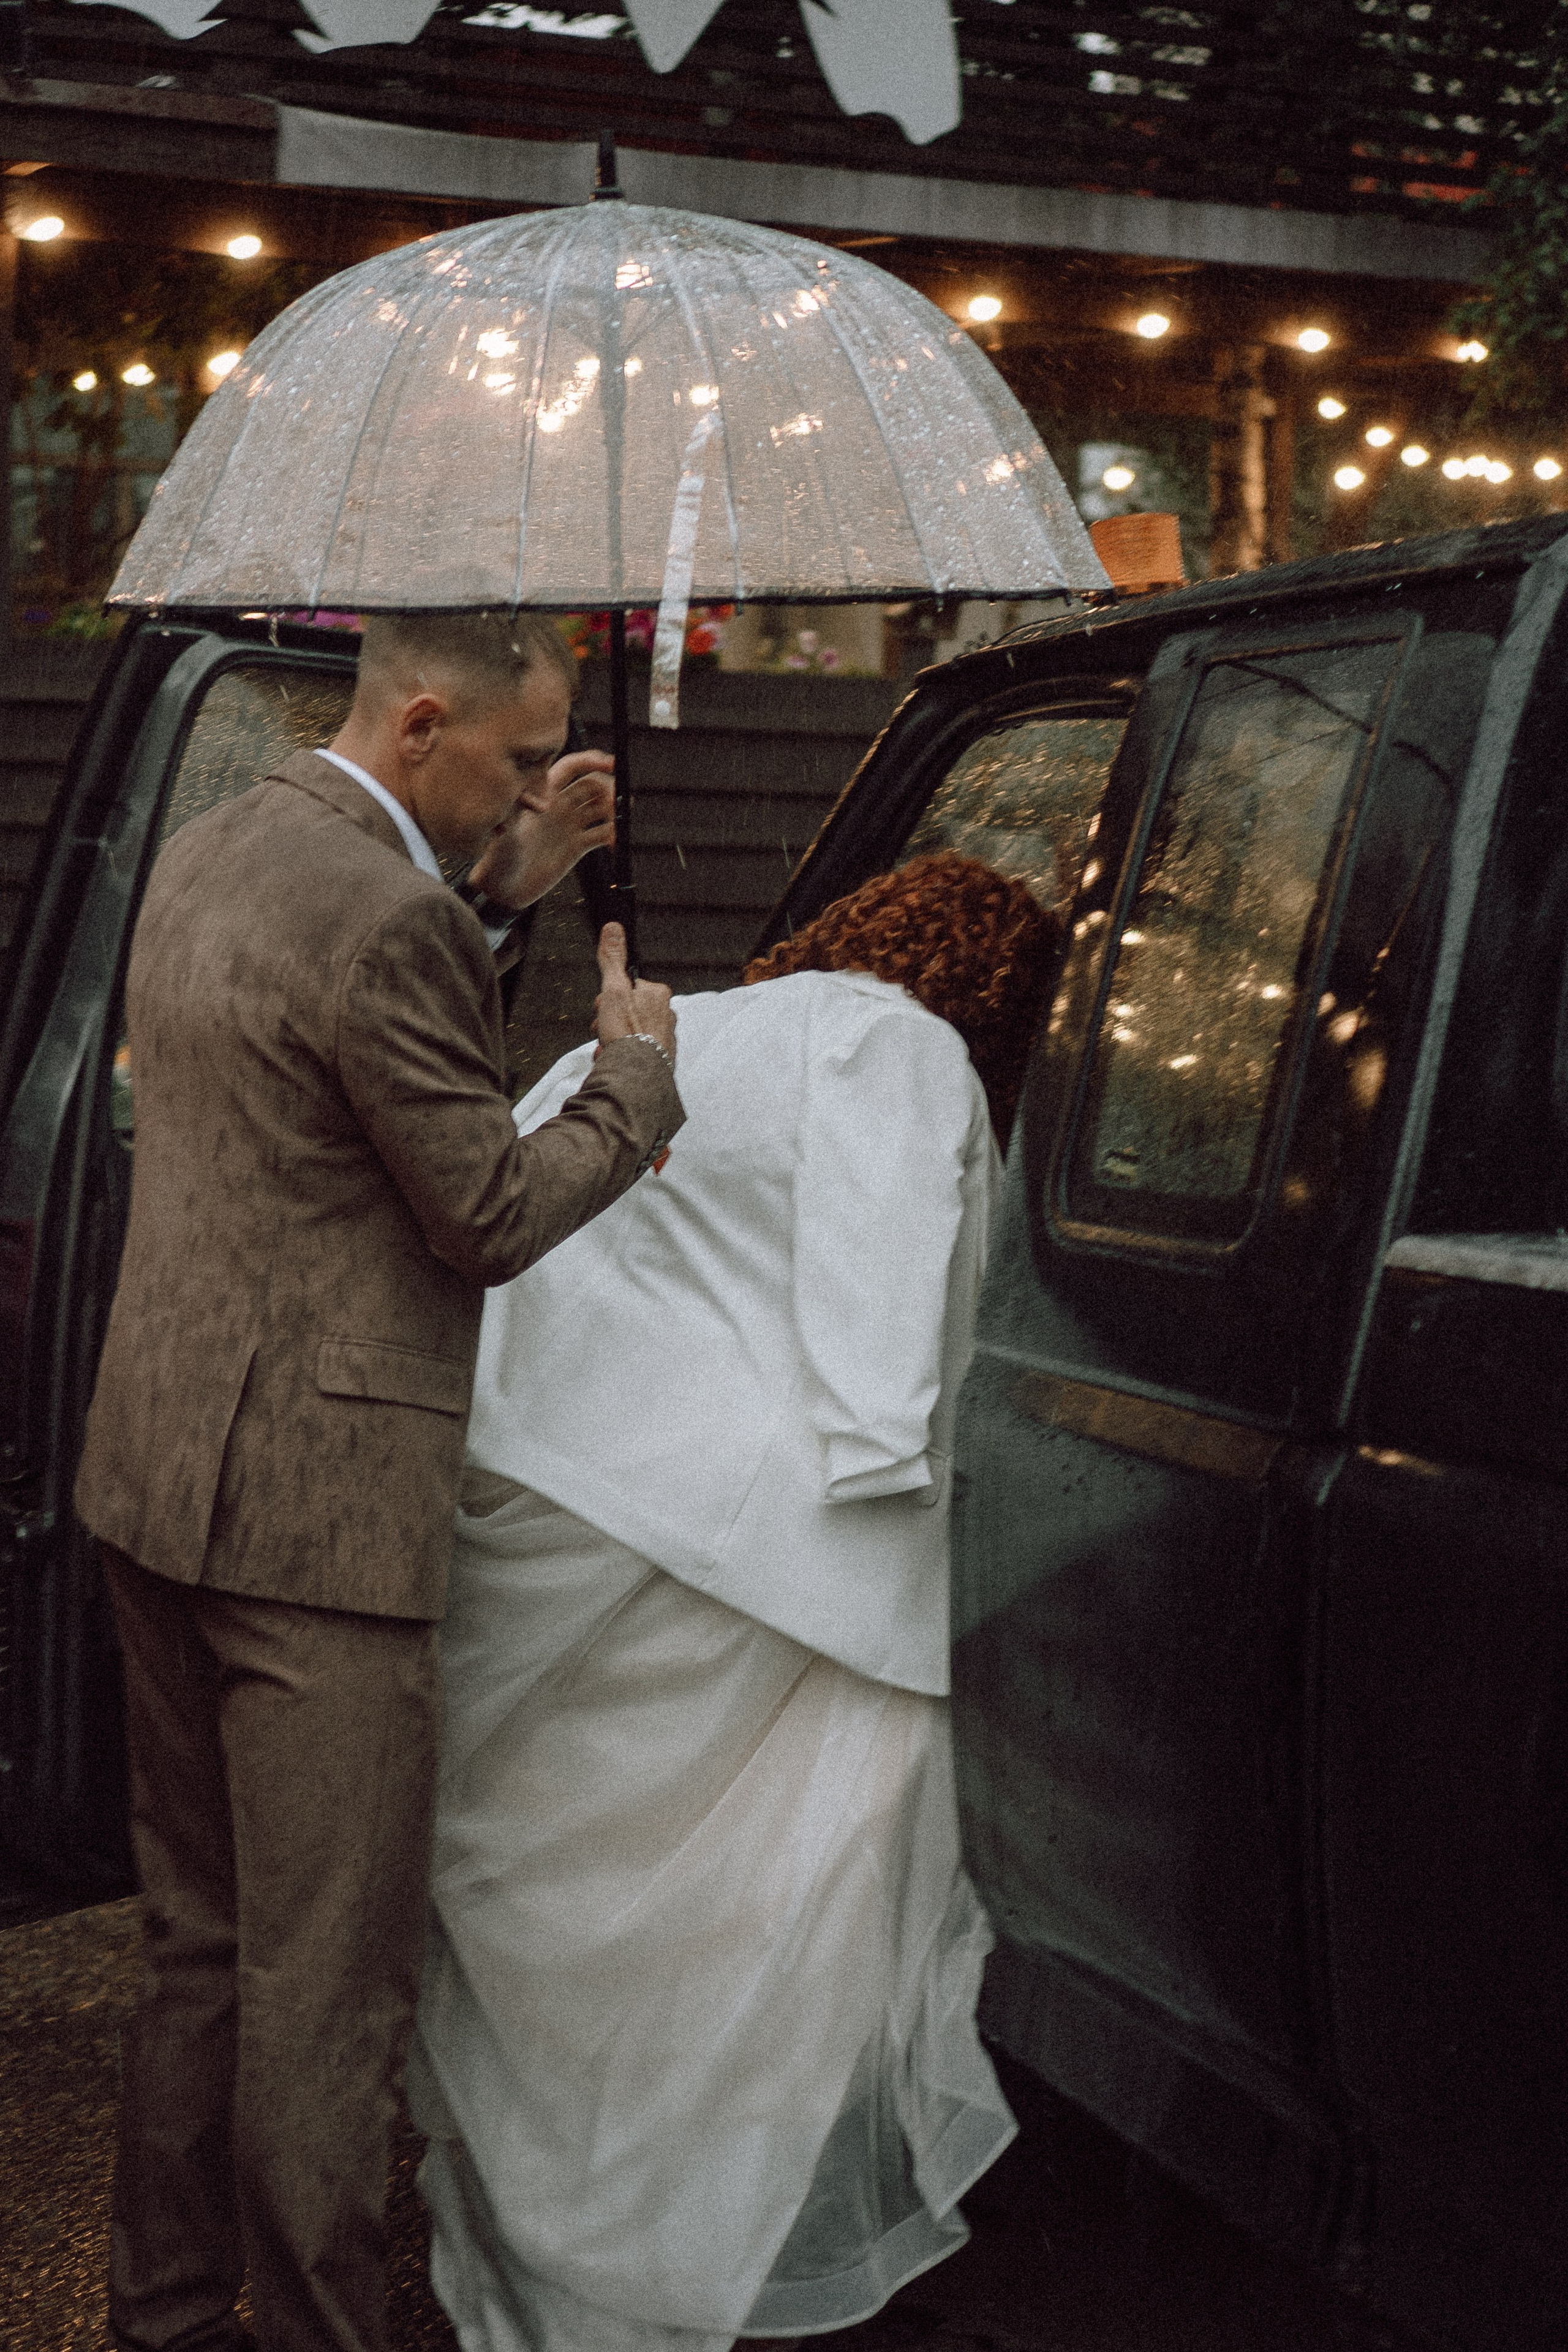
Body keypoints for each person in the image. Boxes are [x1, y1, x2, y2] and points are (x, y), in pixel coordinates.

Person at [73, 610, 684, 2352]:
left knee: (199, 1941)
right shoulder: (395, 915)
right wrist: (632, 1086)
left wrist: (513, 886)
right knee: (326, 1992)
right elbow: (483, 1213)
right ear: (424, 723)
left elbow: (326, 1047)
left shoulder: (220, 843)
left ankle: (168, 2318)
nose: (532, 783)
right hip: (319, 1524)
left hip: (158, 1473)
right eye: (510, 758)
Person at [409, 850, 1060, 2352]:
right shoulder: (897, 1043)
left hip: (543, 1525)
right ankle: (676, 2245)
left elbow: (499, 1256)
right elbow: (884, 1334)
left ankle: (540, 2255)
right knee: (758, 1929)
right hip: (755, 1567)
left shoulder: (647, 1037)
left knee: (561, 1913)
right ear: (997, 992)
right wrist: (908, 1483)